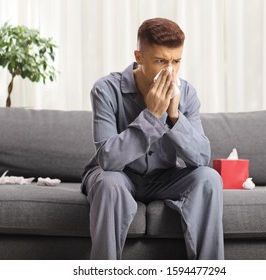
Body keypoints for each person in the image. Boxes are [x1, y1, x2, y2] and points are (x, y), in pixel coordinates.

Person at [82, 17, 224, 260]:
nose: (170, 71)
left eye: (176, 61)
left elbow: (201, 158)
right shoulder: (106, 89)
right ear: (139, 57)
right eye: (160, 61)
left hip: (163, 177)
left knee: (209, 178)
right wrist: (151, 116)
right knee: (109, 183)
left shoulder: (187, 93)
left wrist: (174, 116)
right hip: (118, 174)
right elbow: (107, 160)